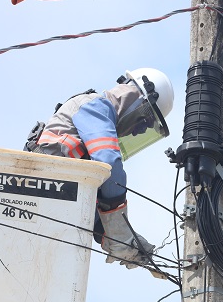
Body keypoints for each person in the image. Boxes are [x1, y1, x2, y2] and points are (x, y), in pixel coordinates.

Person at [25, 68, 175, 269]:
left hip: (50, 200)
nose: (138, 130)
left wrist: (123, 240)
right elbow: (109, 164)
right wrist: (119, 229)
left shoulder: (95, 134)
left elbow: (89, 209)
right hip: (41, 188)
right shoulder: (94, 105)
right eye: (145, 119)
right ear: (138, 99)